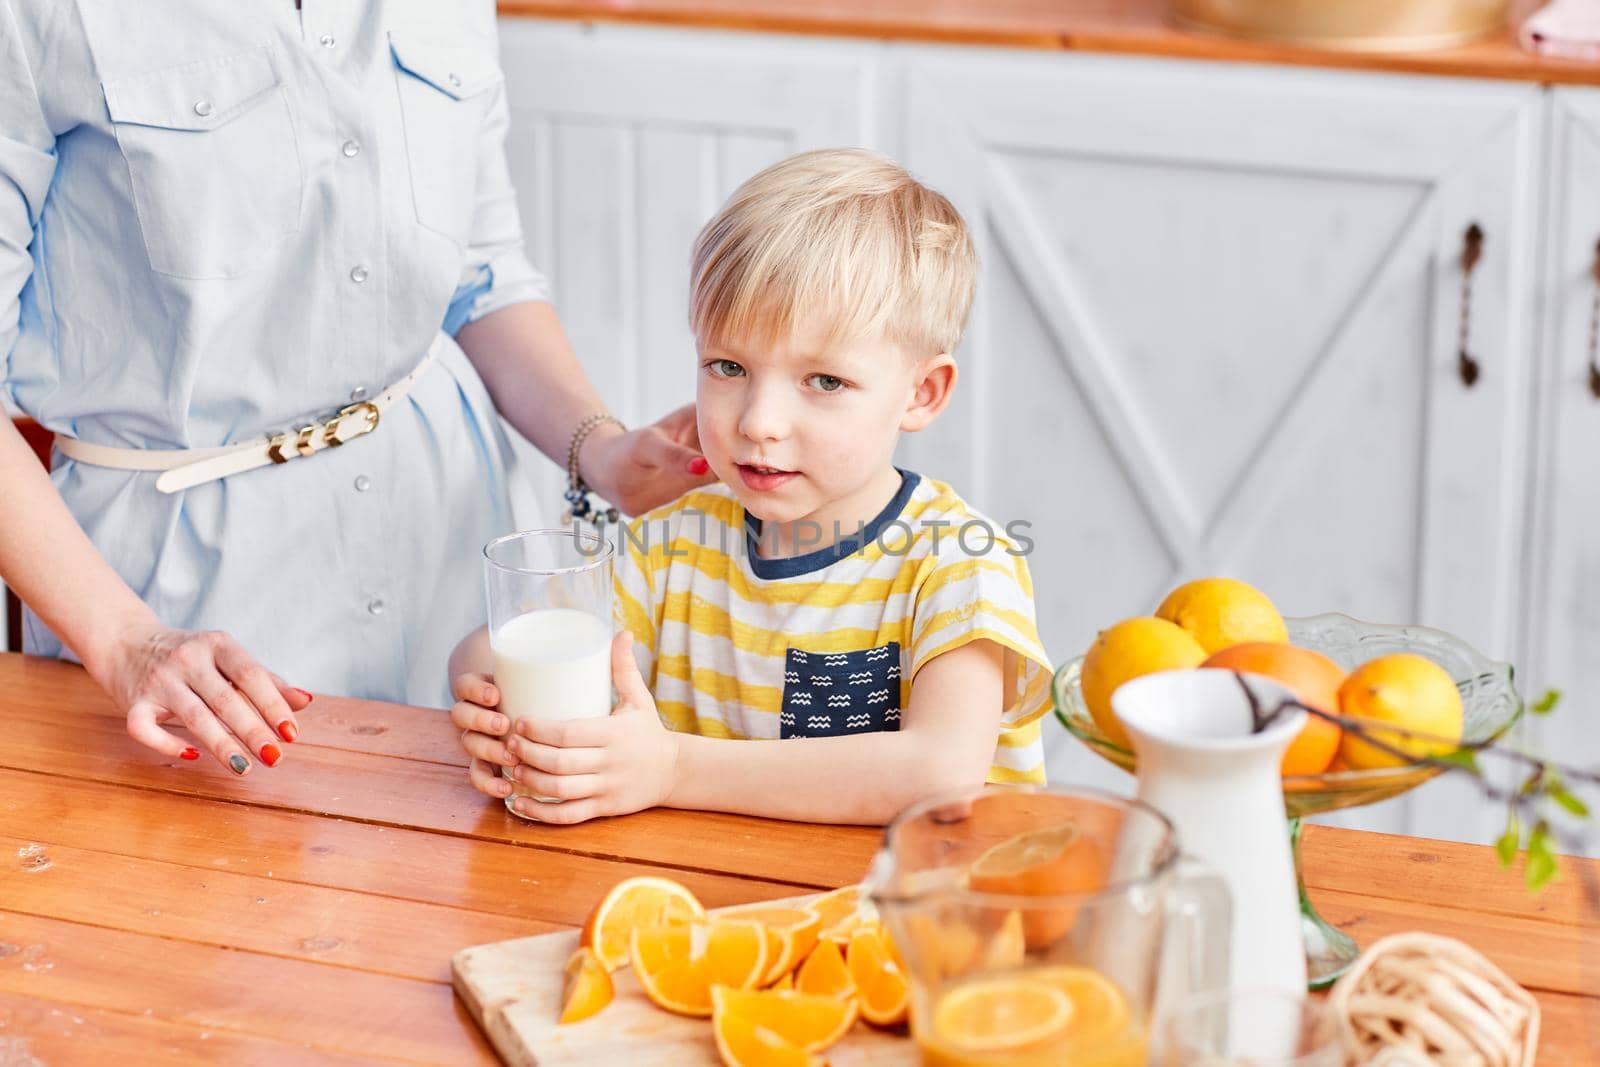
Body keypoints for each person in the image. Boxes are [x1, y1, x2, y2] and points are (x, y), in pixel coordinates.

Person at [0, 1, 708, 777]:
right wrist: (129, 643)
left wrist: (603, 451)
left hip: (447, 542)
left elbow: (480, 274)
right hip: (179, 605)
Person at [450, 149, 1053, 825]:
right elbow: (502, 643)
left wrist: (672, 767)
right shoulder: (674, 541)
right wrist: (486, 690)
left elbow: (939, 773)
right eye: (728, 366)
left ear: (922, 392)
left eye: (824, 381)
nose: (759, 423)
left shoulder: (961, 563)